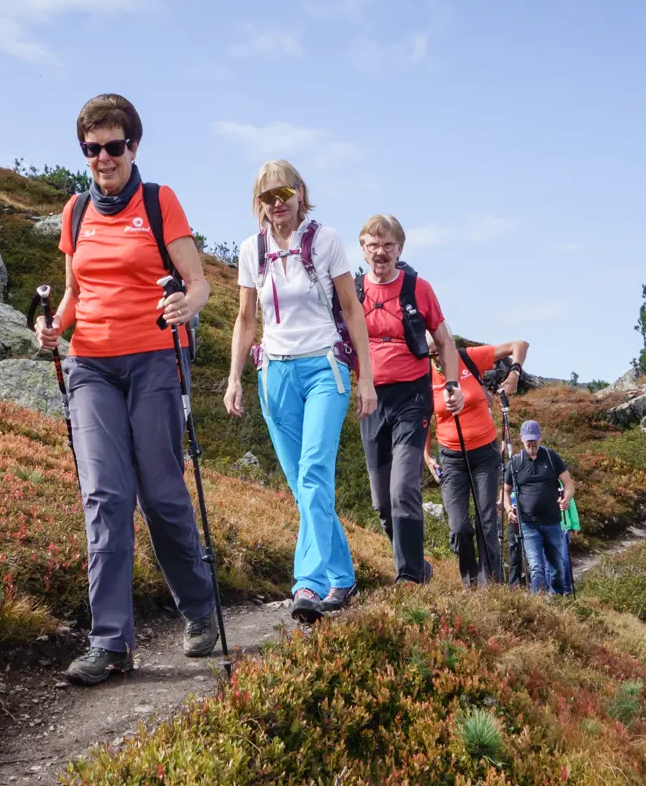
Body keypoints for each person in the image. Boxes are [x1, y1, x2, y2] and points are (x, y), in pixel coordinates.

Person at [34, 93, 220, 686]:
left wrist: (184, 306)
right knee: (105, 496)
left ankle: (198, 606)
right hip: (91, 365)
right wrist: (52, 326)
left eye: (114, 146)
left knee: (162, 493)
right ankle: (110, 642)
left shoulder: (160, 202)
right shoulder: (74, 212)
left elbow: (198, 286)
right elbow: (74, 292)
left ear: (133, 146)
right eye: (92, 149)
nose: (103, 157)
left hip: (155, 360)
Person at [223, 160, 376, 623]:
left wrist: (364, 377)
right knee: (302, 486)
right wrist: (234, 378)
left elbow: (352, 310)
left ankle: (307, 583)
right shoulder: (251, 249)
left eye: (283, 193)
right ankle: (343, 575)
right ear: (259, 204)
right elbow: (246, 318)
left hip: (324, 370)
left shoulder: (326, 240)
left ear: (299, 193)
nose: (277, 203)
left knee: (313, 473)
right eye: (267, 197)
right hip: (275, 374)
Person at [357, 214, 463, 584]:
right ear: (363, 249)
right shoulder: (352, 291)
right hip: (369, 399)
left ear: (400, 248)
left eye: (388, 245)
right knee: (382, 503)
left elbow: (445, 341)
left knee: (403, 488)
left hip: (412, 395)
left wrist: (452, 384)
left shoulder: (419, 288)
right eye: (373, 245)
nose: (380, 252)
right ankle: (420, 566)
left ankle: (409, 578)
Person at [423, 336, 529, 586]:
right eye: (430, 354)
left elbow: (520, 345)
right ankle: (470, 582)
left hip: (484, 453)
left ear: (447, 342)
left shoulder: (468, 357)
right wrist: (427, 455)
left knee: (487, 522)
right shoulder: (424, 375)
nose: (436, 358)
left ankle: (491, 585)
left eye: (439, 350)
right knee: (458, 526)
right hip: (451, 458)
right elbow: (422, 419)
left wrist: (514, 373)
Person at [502, 420, 576, 595]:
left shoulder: (552, 457)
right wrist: (508, 509)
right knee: (536, 567)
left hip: (552, 522)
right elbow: (505, 491)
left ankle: (557, 599)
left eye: (534, 439)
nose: (531, 444)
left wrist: (566, 498)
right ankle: (540, 606)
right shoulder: (515, 463)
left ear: (540, 438)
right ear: (521, 439)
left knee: (558, 569)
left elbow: (569, 484)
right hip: (528, 524)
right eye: (528, 440)